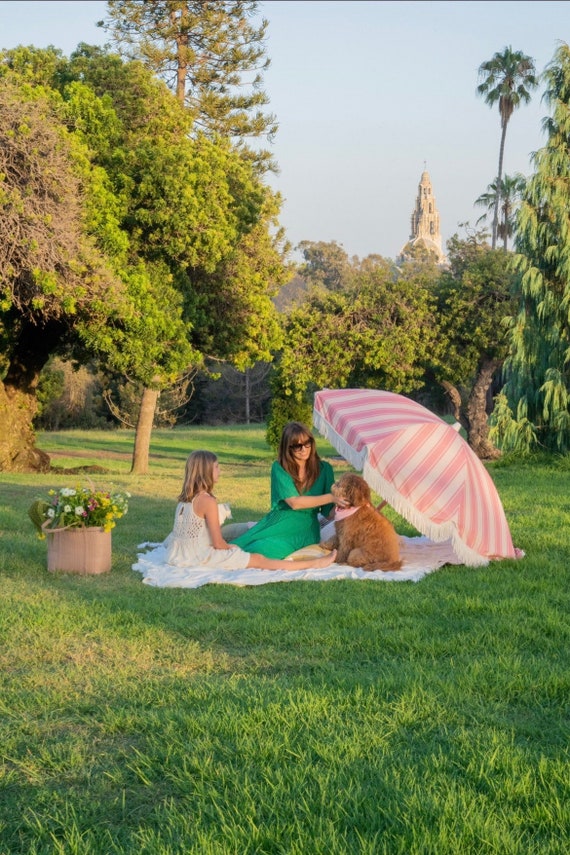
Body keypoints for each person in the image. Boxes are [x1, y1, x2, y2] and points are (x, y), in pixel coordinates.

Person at [160, 450, 337, 572]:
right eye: (217, 467)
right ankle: (315, 563)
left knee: (243, 542)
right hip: (200, 556)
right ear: (206, 472)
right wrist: (232, 550)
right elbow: (218, 544)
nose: (220, 470)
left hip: (181, 554)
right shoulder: (207, 501)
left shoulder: (185, 501)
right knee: (259, 559)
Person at [230, 421, 342, 559]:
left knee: (260, 549)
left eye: (307, 443)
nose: (304, 449)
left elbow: (328, 512)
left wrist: (345, 503)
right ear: (287, 448)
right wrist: (331, 497)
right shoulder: (280, 467)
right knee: (236, 546)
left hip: (304, 528)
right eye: (297, 446)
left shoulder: (325, 469)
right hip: (277, 522)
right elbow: (294, 503)